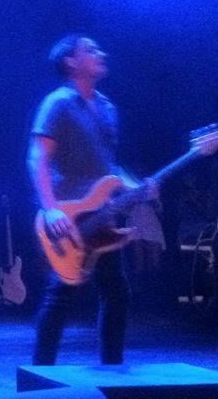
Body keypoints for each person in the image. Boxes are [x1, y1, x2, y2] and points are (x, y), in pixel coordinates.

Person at [28, 33, 155, 365]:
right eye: (91, 50)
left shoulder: (108, 108)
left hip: (103, 215)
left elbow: (109, 168)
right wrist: (50, 209)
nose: (101, 53)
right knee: (62, 295)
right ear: (71, 61)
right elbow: (38, 158)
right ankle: (39, 374)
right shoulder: (57, 103)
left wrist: (138, 187)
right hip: (70, 217)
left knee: (116, 292)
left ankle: (112, 370)